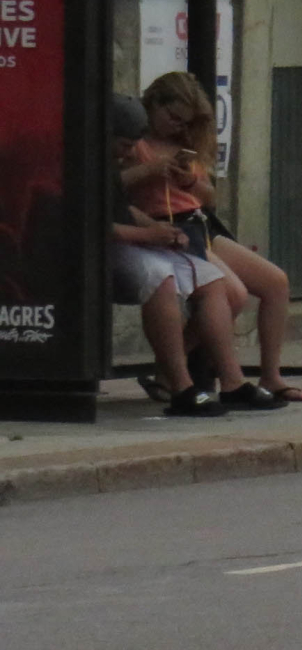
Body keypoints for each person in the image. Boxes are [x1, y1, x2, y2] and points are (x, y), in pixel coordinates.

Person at [134, 71, 302, 405]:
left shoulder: (184, 146)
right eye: (173, 118)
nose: (177, 126)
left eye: (185, 122)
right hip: (168, 225)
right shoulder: (138, 145)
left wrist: (188, 182)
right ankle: (176, 368)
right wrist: (153, 171)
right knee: (233, 295)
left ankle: (270, 374)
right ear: (153, 103)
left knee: (276, 282)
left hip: (199, 223)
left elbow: (209, 197)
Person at [107, 97, 264, 417]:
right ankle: (180, 386)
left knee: (210, 278)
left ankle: (233, 382)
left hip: (143, 235)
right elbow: (93, 224)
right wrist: (149, 234)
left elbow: (124, 210)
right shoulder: (85, 164)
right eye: (123, 145)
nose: (126, 153)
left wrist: (159, 230)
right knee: (159, 276)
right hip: (107, 248)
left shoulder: (110, 164)